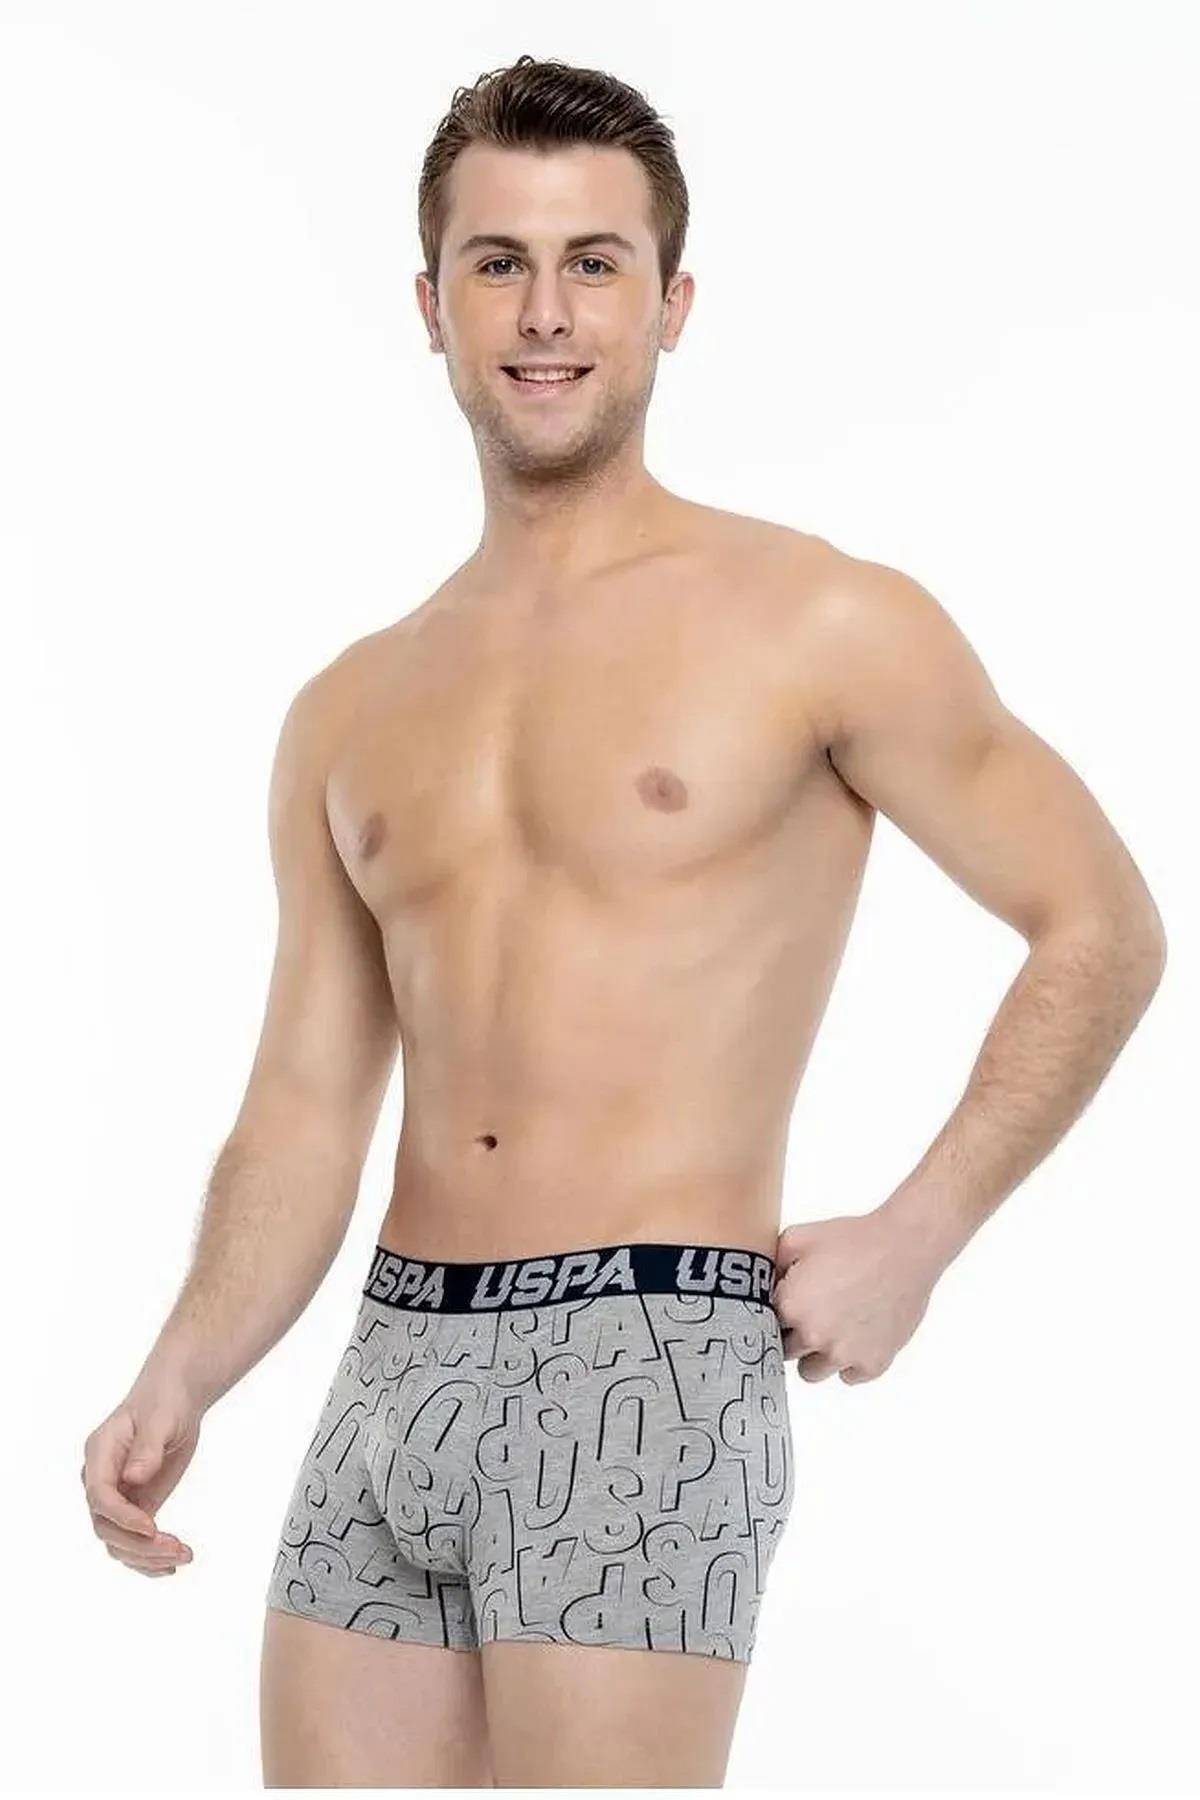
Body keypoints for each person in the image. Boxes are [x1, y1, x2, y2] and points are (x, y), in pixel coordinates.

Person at [80, 54, 1166, 1790]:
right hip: (391, 1361)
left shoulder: (819, 621)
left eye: (594, 263)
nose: (546, 313)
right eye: (499, 263)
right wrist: (185, 1364)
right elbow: (302, 1102)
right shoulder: (350, 706)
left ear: (672, 303)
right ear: (431, 307)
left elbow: (1100, 923)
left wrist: (920, 1233)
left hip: (646, 1348)